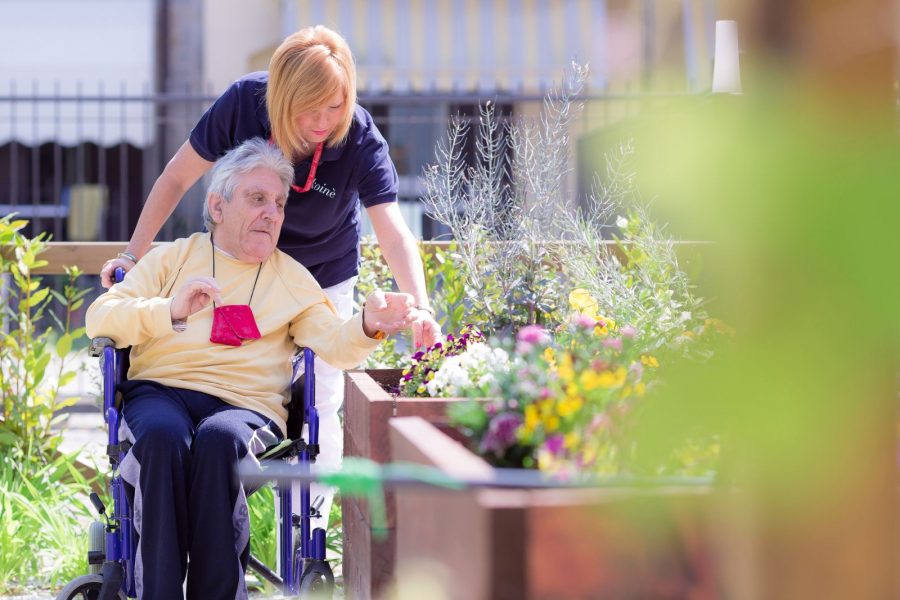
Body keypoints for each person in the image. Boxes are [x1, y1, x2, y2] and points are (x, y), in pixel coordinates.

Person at [100, 24, 441, 528]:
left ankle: (311, 532)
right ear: (282, 95)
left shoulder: (360, 135)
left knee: (321, 401)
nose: (324, 121)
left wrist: (420, 309)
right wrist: (132, 255)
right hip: (238, 266)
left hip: (320, 276)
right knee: (218, 370)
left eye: (336, 106)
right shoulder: (243, 103)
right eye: (311, 108)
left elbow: (392, 232)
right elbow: (177, 176)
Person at [85, 138, 416, 600]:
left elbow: (335, 344)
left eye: (279, 203)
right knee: (161, 438)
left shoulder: (292, 278)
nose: (272, 213)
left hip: (246, 407)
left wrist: (367, 323)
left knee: (220, 440)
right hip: (162, 392)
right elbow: (99, 317)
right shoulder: (172, 258)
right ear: (217, 206)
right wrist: (168, 309)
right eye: (257, 199)